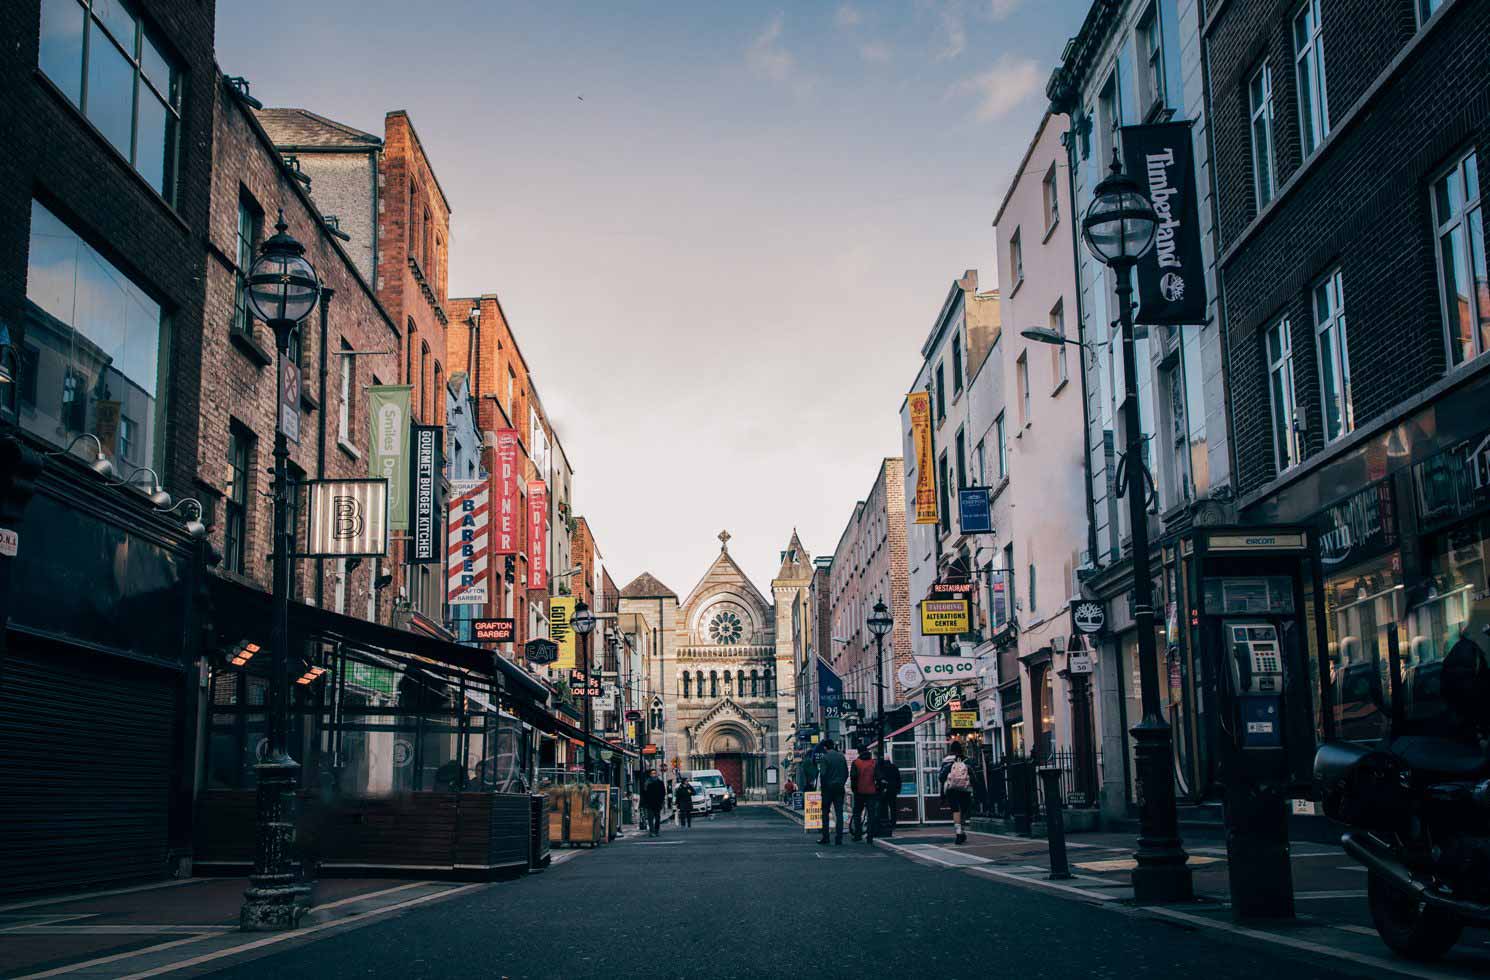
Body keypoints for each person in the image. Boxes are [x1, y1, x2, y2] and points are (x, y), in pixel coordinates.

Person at [939, 740, 974, 845]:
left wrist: (942, 795)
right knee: (963, 810)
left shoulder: (946, 760)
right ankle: (962, 830)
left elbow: (941, 777)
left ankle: (958, 832)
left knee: (955, 810)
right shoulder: (967, 760)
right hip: (965, 788)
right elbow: (972, 774)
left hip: (951, 788)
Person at [816, 739, 848, 845]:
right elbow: (846, 773)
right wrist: (841, 783)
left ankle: (826, 837)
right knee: (839, 813)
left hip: (828, 790)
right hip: (839, 788)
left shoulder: (825, 758)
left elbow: (823, 774)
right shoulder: (841, 757)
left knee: (825, 813)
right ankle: (839, 838)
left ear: (825, 747)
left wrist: (823, 788)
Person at [849, 745, 879, 841]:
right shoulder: (874, 762)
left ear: (858, 752)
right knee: (871, 814)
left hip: (859, 792)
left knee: (857, 813)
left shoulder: (856, 763)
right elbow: (878, 777)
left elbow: (853, 778)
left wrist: (854, 790)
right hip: (872, 791)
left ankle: (858, 834)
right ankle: (870, 836)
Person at [875, 749, 902, 838]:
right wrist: (898, 789)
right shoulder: (894, 767)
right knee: (893, 806)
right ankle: (893, 822)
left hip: (885, 790)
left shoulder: (881, 768)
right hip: (893, 790)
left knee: (884, 806)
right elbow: (899, 779)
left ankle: (885, 822)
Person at [641, 769, 666, 837]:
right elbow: (643, 794)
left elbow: (663, 792)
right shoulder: (646, 783)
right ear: (650, 774)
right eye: (652, 773)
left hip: (658, 803)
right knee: (650, 818)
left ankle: (656, 830)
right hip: (649, 804)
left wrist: (662, 801)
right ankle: (652, 831)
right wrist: (644, 803)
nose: (654, 775)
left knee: (657, 818)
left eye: (655, 773)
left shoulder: (660, 782)